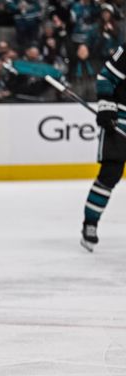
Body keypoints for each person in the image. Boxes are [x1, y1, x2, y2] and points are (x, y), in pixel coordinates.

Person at [80, 42, 126, 251]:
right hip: (121, 120)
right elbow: (106, 77)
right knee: (110, 174)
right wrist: (107, 108)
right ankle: (90, 223)